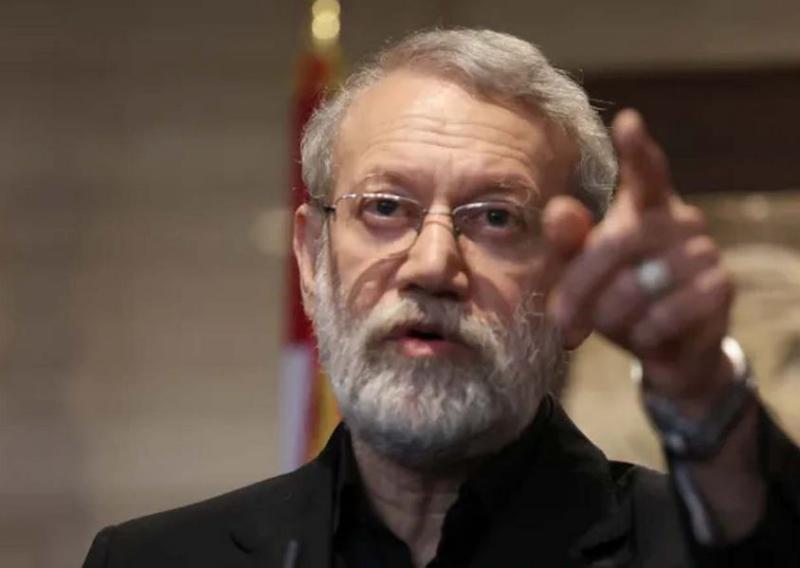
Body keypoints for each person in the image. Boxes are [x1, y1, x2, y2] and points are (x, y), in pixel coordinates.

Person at [83, 28, 800, 567]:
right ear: (310, 258)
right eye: (385, 207)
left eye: (496, 218)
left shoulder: (688, 547)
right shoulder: (152, 559)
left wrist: (704, 395)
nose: (431, 265)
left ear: (572, 277)